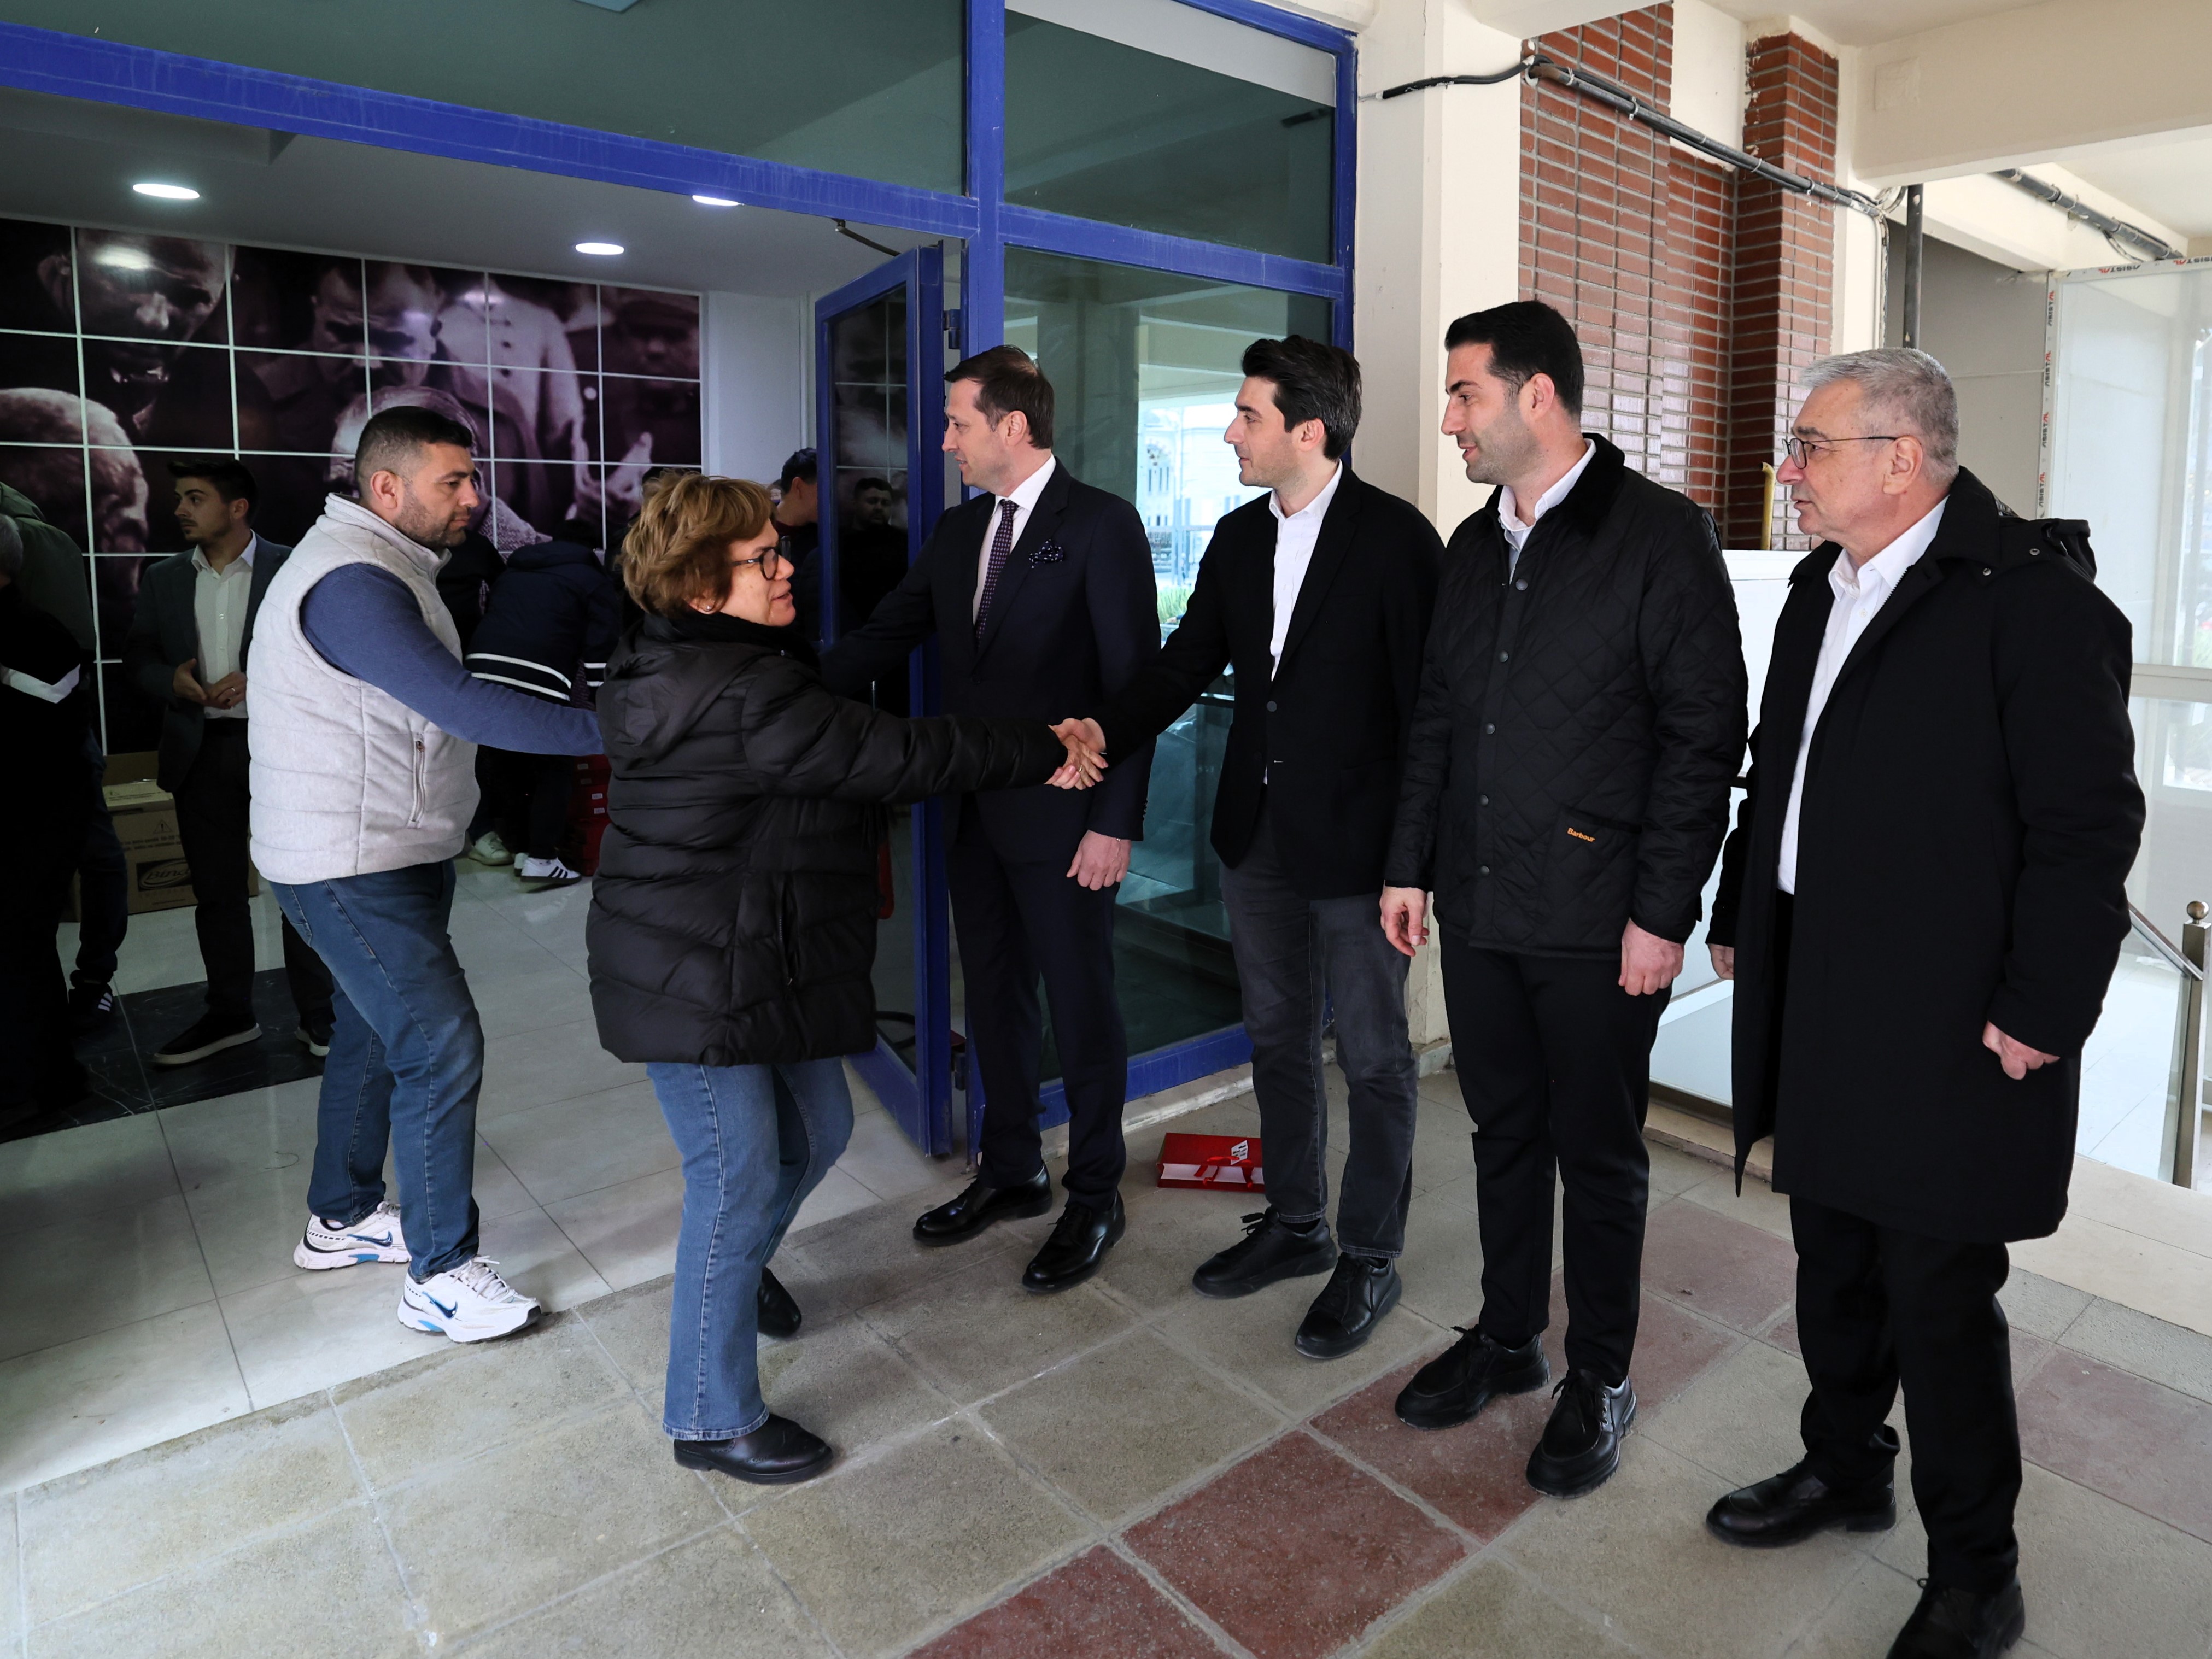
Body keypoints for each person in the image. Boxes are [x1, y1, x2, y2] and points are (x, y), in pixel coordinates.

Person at [1701, 350, 2143, 1659]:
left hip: (1950, 1016)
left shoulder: (2034, 605)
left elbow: (2085, 829)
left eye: (1810, 445)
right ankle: (1845, 1464)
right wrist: (1738, 903)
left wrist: (2044, 1005)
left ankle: (1975, 1572)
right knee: (1833, 1260)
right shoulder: (1820, 589)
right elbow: (1776, 768)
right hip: (1820, 986)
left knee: (1937, 1295)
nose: (1788, 469)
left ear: (1902, 458)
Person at [587, 472, 1096, 1485]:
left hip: (747, 958)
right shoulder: (743, 693)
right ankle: (710, 1416)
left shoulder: (708, 657)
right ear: (700, 588)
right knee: (734, 1180)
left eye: (779, 549)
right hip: (698, 977)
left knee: (819, 1128)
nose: (787, 569)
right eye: (762, 560)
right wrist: (1046, 745)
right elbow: (893, 754)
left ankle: (736, 1272)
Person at [1381, 300, 1746, 1497]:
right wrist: (1408, 862)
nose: (1451, 420)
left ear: (1536, 396)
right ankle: (1506, 1337)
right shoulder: (1472, 545)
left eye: (1465, 395)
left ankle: (1601, 1372)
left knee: (1595, 1155)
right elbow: (1436, 718)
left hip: (1600, 918)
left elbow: (1703, 738)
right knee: (1501, 1133)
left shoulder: (1660, 537)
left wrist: (1662, 913)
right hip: (1481, 901)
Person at [1061, 337, 1442, 1358]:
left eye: (1247, 416)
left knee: (1374, 1057)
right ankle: (1297, 1222)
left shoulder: (1397, 541)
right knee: (1275, 1037)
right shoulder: (1236, 538)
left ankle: (1370, 1254)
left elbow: (1430, 716)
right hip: (1254, 838)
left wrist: (1413, 862)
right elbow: (1182, 663)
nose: (1230, 432)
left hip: (1362, 853)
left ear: (1307, 431)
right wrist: (1103, 729)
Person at [249, 405, 604, 1341]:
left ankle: (341, 1217)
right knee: (439, 1044)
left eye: (472, 478)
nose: (474, 498)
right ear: (385, 487)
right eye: (454, 481)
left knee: (376, 1034)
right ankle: (441, 1275)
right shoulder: (351, 581)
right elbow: (463, 704)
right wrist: (635, 733)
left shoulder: (388, 561)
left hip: (389, 846)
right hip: (348, 861)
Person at [822, 345, 1159, 1293]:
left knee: (1081, 1006)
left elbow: (1134, 688)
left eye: (957, 422)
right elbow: (885, 636)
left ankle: (1095, 1192)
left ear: (1013, 425)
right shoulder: (959, 529)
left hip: (1068, 822)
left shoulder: (1100, 525)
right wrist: (763, 689)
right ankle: (1011, 1168)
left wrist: (1115, 822)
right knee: (996, 999)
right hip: (971, 815)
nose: (945, 441)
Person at [121, 459, 336, 1065]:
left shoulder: (295, 567)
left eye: (195, 498)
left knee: (299, 888)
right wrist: (171, 681)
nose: (179, 509)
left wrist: (262, 677)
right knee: (216, 893)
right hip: (200, 751)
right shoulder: (164, 577)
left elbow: (329, 655)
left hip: (283, 750)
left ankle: (318, 1014)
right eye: (179, 497)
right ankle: (230, 1014)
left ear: (237, 507)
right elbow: (138, 656)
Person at [0, 472, 125, 1031]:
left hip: (41, 737)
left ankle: (85, 982)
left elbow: (61, 652)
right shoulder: (41, 533)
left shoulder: (28, 535)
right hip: (55, 731)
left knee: (83, 855)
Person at [0, 511, 95, 1129]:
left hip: (32, 820)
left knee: (18, 949)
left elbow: (46, 740)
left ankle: (31, 1084)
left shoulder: (36, 633)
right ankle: (49, 1075)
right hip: (31, 817)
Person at [464, 534, 623, 888]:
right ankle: (542, 858)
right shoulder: (592, 580)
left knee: (507, 763)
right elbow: (601, 651)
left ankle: (522, 850)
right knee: (555, 763)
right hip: (538, 674)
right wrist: (605, 706)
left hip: (480, 671)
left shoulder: (515, 572)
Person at [774, 448, 823, 643]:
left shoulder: (828, 539)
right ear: (799, 487)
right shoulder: (752, 534)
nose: (833, 497)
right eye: (825, 487)